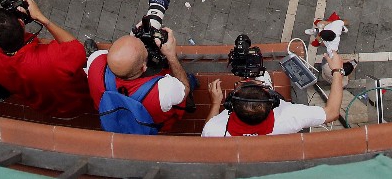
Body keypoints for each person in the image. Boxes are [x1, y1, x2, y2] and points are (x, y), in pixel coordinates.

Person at [0, 0, 94, 119]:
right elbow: (77, 49)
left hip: (48, 109)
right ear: (21, 23)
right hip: (81, 101)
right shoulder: (52, 58)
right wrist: (42, 18)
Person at [202, 52, 348, 136]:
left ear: (230, 105)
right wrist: (337, 71)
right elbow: (332, 112)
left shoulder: (214, 129)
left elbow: (207, 128)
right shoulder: (290, 117)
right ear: (273, 100)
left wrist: (215, 103)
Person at [86, 26, 195, 134]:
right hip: (156, 124)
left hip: (114, 116)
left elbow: (122, 56)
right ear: (143, 67)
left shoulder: (95, 61)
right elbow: (185, 88)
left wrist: (131, 40)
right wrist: (171, 55)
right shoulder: (164, 89)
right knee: (186, 82)